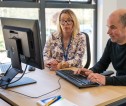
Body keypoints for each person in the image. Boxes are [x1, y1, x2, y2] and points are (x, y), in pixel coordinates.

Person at [75, 9, 126, 86]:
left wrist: (106, 79)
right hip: (120, 87)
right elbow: (102, 63)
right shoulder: (111, 43)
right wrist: (91, 71)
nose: (108, 32)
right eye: (108, 27)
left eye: (113, 27)